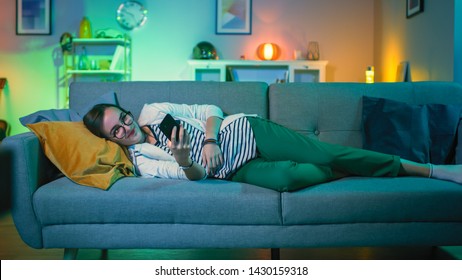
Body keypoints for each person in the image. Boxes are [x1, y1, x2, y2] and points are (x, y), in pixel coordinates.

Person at [83, 102, 462, 192]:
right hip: (235, 170)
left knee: (328, 154)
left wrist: (212, 138)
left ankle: (430, 170)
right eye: (116, 131)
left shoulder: (154, 110)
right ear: (109, 139)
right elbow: (194, 178)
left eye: (124, 118)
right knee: (288, 179)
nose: (126, 127)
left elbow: (209, 110)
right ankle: (364, 166)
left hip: (245, 133)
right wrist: (185, 162)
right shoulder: (143, 161)